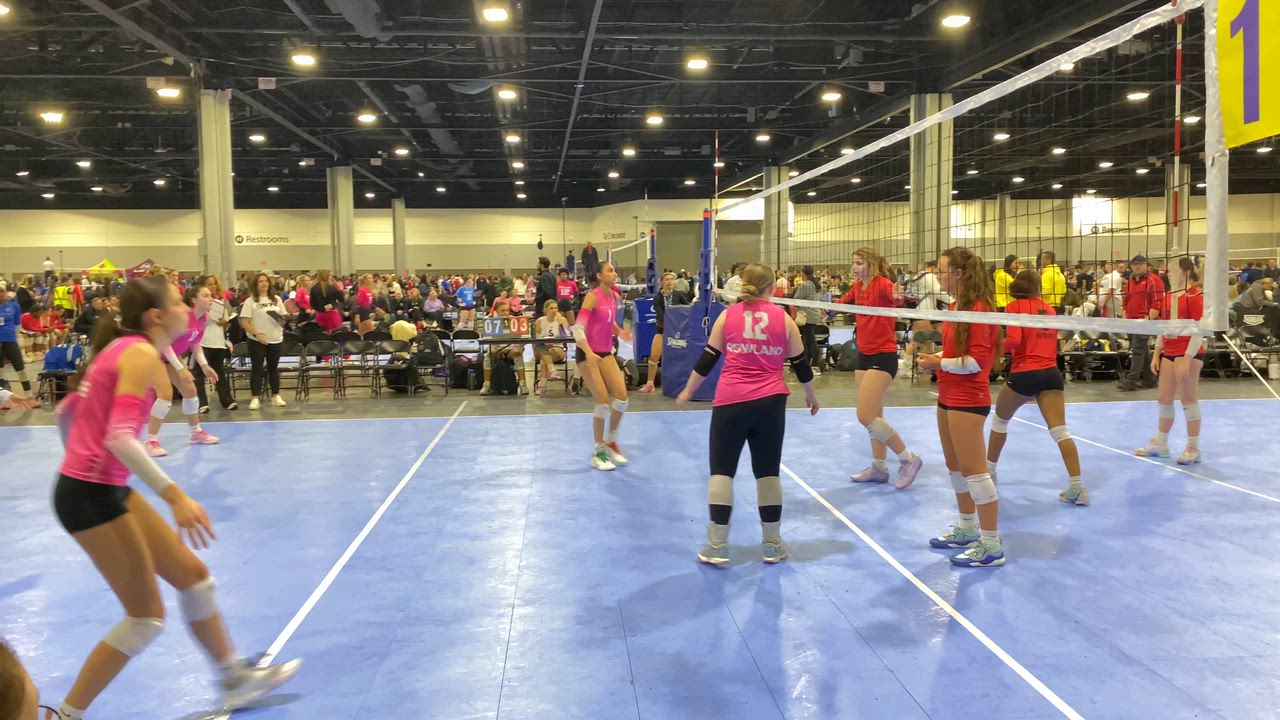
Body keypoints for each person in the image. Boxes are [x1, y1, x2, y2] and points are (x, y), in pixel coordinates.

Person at [47, 276, 300, 720]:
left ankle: (235, 680)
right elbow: (120, 437)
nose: (188, 308)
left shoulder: (125, 349)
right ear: (156, 316)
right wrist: (175, 495)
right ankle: (65, 714)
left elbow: (66, 412)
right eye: (179, 302)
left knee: (195, 578)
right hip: (89, 495)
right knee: (145, 618)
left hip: (101, 486)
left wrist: (82, 457)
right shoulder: (140, 353)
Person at [676, 262, 820, 566]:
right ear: (773, 287)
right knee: (768, 473)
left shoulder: (728, 316)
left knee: (722, 472)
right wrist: (810, 395)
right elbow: (801, 364)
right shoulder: (784, 319)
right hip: (771, 403)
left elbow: (708, 358)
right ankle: (772, 544)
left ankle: (717, 545)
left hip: (731, 400)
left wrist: (688, 391)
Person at [917, 247, 1004, 568]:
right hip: (948, 394)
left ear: (957, 274)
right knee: (954, 466)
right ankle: (967, 528)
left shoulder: (978, 310)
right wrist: (936, 358)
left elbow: (976, 363)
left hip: (969, 398)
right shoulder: (956, 307)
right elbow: (958, 353)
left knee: (975, 471)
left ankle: (991, 544)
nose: (937, 275)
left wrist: (938, 363)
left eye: (941, 270)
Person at [986, 270, 1089, 506]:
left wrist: (992, 346)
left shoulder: (1014, 307)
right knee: (1060, 431)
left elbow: (1014, 340)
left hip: (1026, 372)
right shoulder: (1049, 309)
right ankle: (1077, 487)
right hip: (1051, 373)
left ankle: (988, 473)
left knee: (1000, 420)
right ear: (1037, 287)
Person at [840, 248, 923, 488]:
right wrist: (824, 307)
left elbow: (897, 299)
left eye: (859, 263)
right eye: (853, 262)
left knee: (865, 416)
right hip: (863, 355)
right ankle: (879, 468)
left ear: (872, 264)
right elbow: (843, 303)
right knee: (875, 417)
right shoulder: (858, 286)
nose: (854, 267)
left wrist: (898, 296)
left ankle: (908, 459)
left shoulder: (883, 284)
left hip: (883, 355)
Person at [1137, 256, 1206, 464]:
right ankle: (1161, 443)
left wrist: (1187, 357)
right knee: (1164, 398)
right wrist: (1156, 353)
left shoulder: (1196, 296)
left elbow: (1199, 330)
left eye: (1172, 270)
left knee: (1188, 399)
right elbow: (1163, 327)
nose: (1168, 273)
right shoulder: (1168, 296)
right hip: (1169, 351)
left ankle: (1193, 447)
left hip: (1189, 351)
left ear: (1186, 272)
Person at [143, 284, 221, 457]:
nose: (211, 299)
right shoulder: (183, 316)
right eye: (206, 295)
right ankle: (151, 441)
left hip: (171, 357)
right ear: (194, 300)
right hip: (156, 353)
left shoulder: (204, 318)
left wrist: (204, 365)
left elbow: (195, 343)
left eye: (211, 295)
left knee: (190, 391)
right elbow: (165, 343)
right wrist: (180, 368)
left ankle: (195, 432)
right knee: (165, 394)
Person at [574, 261, 632, 471]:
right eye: (610, 270)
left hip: (606, 352)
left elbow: (608, 321)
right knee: (601, 400)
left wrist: (620, 332)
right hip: (587, 352)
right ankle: (598, 452)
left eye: (614, 270)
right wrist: (589, 352)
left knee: (622, 398)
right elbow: (578, 328)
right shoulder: (592, 296)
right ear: (599, 275)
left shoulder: (615, 297)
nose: (614, 273)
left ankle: (611, 441)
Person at [239, 272, 288, 410]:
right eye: (260, 281)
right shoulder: (250, 301)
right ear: (256, 284)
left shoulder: (276, 299)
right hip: (257, 340)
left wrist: (279, 319)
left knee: (273, 368)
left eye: (266, 281)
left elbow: (284, 319)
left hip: (275, 339)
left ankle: (276, 396)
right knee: (257, 369)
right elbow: (245, 322)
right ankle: (255, 397)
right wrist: (256, 334)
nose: (264, 283)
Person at [1118, 254, 1165, 391]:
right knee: (1141, 348)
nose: (1137, 266)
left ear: (1146, 265)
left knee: (1138, 349)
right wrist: (1125, 315)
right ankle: (1150, 379)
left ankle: (1131, 379)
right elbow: (1126, 299)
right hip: (1131, 321)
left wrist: (1147, 320)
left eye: (1140, 264)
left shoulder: (1154, 280)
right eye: (1134, 264)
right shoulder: (1131, 280)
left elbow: (1157, 302)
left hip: (1144, 321)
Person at [637, 273, 688, 394]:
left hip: (677, 331)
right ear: (662, 282)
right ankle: (650, 384)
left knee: (679, 357)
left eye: (671, 279)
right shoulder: (658, 297)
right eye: (667, 279)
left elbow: (687, 310)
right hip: (662, 330)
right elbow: (660, 314)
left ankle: (682, 384)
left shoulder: (679, 295)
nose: (669, 281)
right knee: (654, 356)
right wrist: (668, 324)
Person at [196, 275, 236, 412]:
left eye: (214, 284)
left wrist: (224, 323)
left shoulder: (219, 303)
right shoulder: (197, 304)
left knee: (219, 372)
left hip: (218, 342)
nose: (212, 287)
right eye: (209, 284)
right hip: (202, 342)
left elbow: (225, 325)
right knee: (199, 373)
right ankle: (202, 403)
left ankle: (227, 401)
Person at [0, 289, 39, 408]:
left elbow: (18, 324)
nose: (0, 294)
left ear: (5, 293)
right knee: (0, 371)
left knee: (20, 368)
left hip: (10, 340)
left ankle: (29, 397)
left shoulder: (14, 306)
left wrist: (13, 336)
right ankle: (2, 400)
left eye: (1, 292)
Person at [790, 266, 824, 374]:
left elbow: (796, 299)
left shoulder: (805, 285)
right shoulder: (817, 285)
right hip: (815, 315)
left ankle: (815, 365)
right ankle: (809, 364)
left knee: (810, 341)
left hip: (807, 316)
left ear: (803, 274)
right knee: (809, 341)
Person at [533, 300, 571, 395]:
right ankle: (552, 371)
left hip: (557, 347)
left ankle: (542, 385)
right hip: (542, 347)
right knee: (543, 349)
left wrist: (560, 323)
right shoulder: (539, 321)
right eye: (551, 308)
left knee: (544, 359)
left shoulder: (562, 320)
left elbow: (566, 336)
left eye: (556, 308)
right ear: (546, 310)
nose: (554, 310)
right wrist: (546, 342)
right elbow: (536, 338)